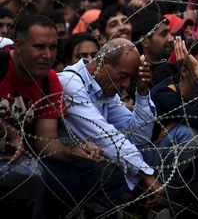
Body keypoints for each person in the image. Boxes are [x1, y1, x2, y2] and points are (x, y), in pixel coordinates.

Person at [1, 15, 102, 218]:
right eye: (39, 47)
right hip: (11, 155)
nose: (47, 55)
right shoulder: (1, 67)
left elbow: (46, 140)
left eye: (53, 48)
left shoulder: (49, 81)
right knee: (30, 177)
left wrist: (75, 151)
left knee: (72, 179)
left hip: (15, 154)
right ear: (18, 46)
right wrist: (8, 132)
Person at [52, 39, 164, 211]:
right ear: (103, 63)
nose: (126, 85)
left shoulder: (105, 91)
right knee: (115, 165)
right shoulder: (70, 84)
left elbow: (138, 136)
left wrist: (142, 92)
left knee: (146, 153)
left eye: (130, 78)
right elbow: (103, 136)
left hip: (88, 167)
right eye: (123, 76)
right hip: (64, 167)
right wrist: (146, 175)